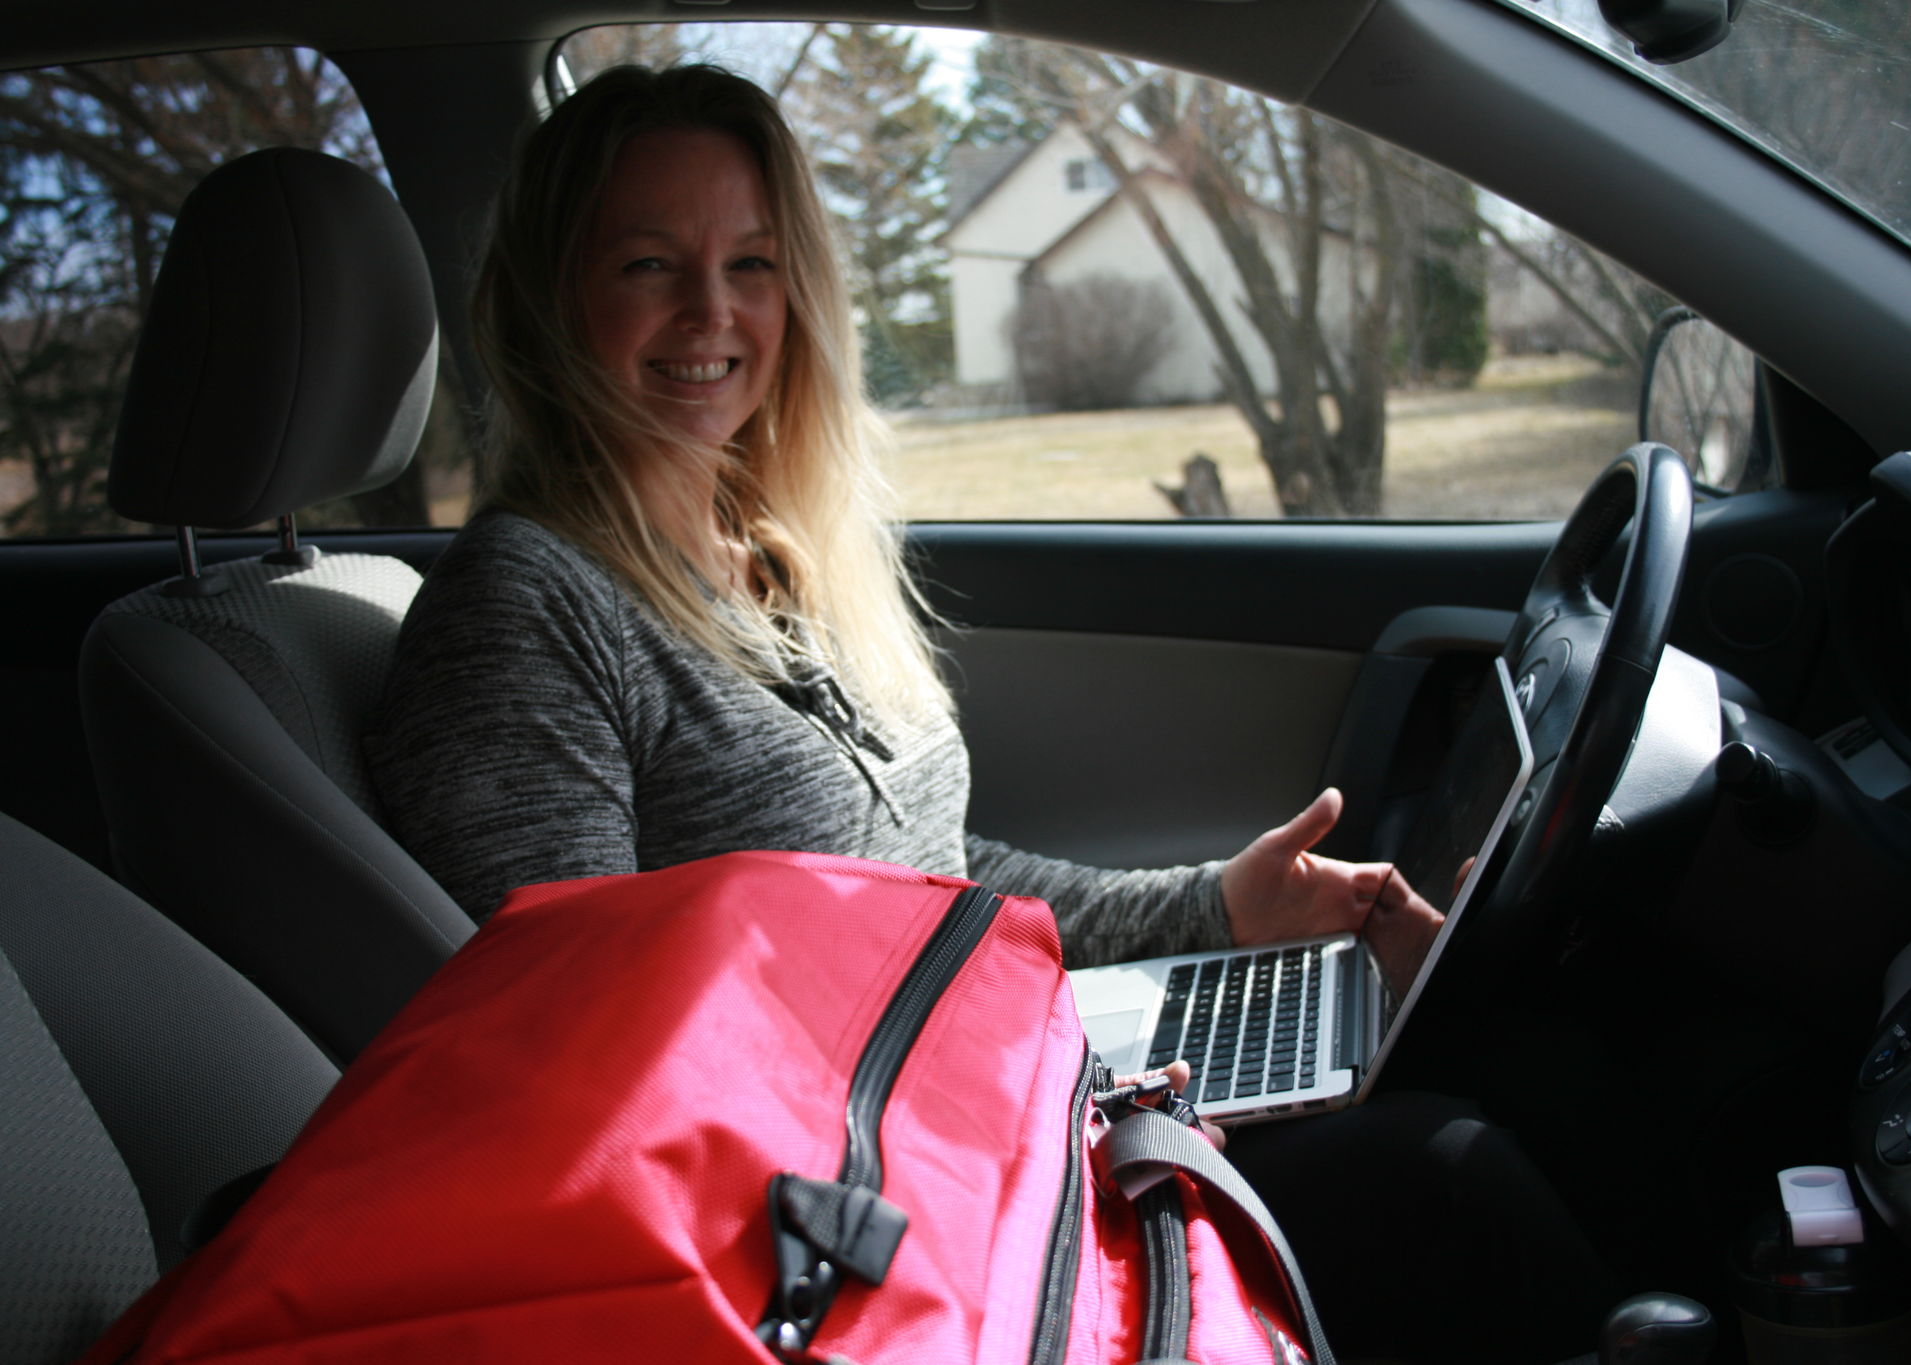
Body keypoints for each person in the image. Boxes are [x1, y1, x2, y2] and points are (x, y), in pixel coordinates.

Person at [366, 62, 1613, 1359]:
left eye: (753, 264)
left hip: (983, 1118)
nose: (713, 311)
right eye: (647, 265)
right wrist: (1030, 1123)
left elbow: (935, 885)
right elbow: (586, 1065)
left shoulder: (770, 551)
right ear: (552, 297)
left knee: (1515, 1068)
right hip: (872, 1228)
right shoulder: (524, 608)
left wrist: (1216, 909)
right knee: (1451, 1180)